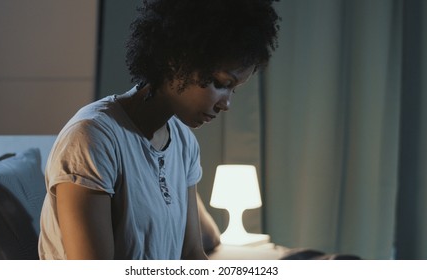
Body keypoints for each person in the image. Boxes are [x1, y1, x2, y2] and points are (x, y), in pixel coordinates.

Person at [38, 0, 280, 260]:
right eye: (221, 83)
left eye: (234, 89)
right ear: (178, 61)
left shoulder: (184, 143)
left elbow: (191, 253)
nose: (226, 104)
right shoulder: (91, 139)